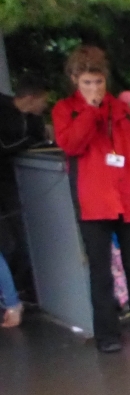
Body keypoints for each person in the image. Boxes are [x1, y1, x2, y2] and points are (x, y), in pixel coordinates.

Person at [53, 45, 130, 353]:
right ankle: (107, 333)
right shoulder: (65, 109)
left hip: (129, 198)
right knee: (100, 272)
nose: (94, 88)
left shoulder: (122, 109)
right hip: (95, 202)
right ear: (75, 79)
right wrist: (89, 111)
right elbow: (71, 145)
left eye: (98, 82)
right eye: (87, 82)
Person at [0, 76, 47, 302]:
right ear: (30, 98)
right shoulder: (4, 112)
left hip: (15, 182)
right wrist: (27, 143)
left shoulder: (33, 119)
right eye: (42, 101)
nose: (44, 107)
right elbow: (6, 147)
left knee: (21, 236)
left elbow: (39, 141)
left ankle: (24, 287)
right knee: (9, 242)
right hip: (4, 180)